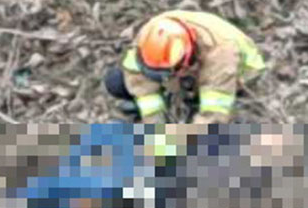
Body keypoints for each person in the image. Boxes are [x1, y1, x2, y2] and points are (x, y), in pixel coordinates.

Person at [104, 10, 267, 131]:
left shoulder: (221, 53)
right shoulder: (149, 36)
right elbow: (141, 85)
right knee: (117, 81)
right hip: (192, 69)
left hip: (239, 79)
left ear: (186, 61)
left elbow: (214, 115)